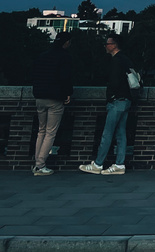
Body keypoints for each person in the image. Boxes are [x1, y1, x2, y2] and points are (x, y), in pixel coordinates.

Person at [80, 34, 137, 176]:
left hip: (117, 100)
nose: (106, 46)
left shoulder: (116, 61)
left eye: (107, 44)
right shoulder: (126, 59)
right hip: (126, 100)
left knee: (108, 133)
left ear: (114, 45)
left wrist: (111, 97)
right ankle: (119, 164)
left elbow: (114, 82)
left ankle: (98, 164)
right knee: (121, 133)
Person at [30, 33, 75, 175]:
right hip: (55, 98)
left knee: (41, 130)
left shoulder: (43, 55)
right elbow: (65, 77)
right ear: (66, 43)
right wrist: (68, 93)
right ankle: (40, 164)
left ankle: (37, 161)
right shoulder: (65, 57)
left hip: (39, 96)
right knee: (50, 132)